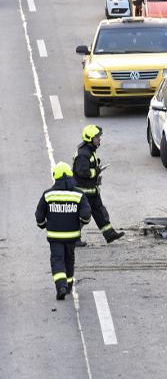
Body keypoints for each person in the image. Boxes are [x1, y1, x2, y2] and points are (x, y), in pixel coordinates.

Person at [35, 162, 91, 300]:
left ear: (56, 177)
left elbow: (39, 215)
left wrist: (42, 225)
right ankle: (69, 285)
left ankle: (61, 286)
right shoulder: (78, 194)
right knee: (69, 260)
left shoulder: (48, 195)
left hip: (55, 237)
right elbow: (86, 215)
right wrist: (80, 225)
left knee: (57, 260)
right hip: (72, 236)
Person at [72, 125, 125, 245]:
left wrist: (96, 169)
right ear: (90, 138)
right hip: (84, 192)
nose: (99, 139)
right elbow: (82, 172)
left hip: (92, 190)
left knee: (100, 212)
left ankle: (109, 234)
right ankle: (74, 238)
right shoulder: (83, 153)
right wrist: (96, 171)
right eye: (97, 137)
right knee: (83, 216)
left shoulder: (89, 150)